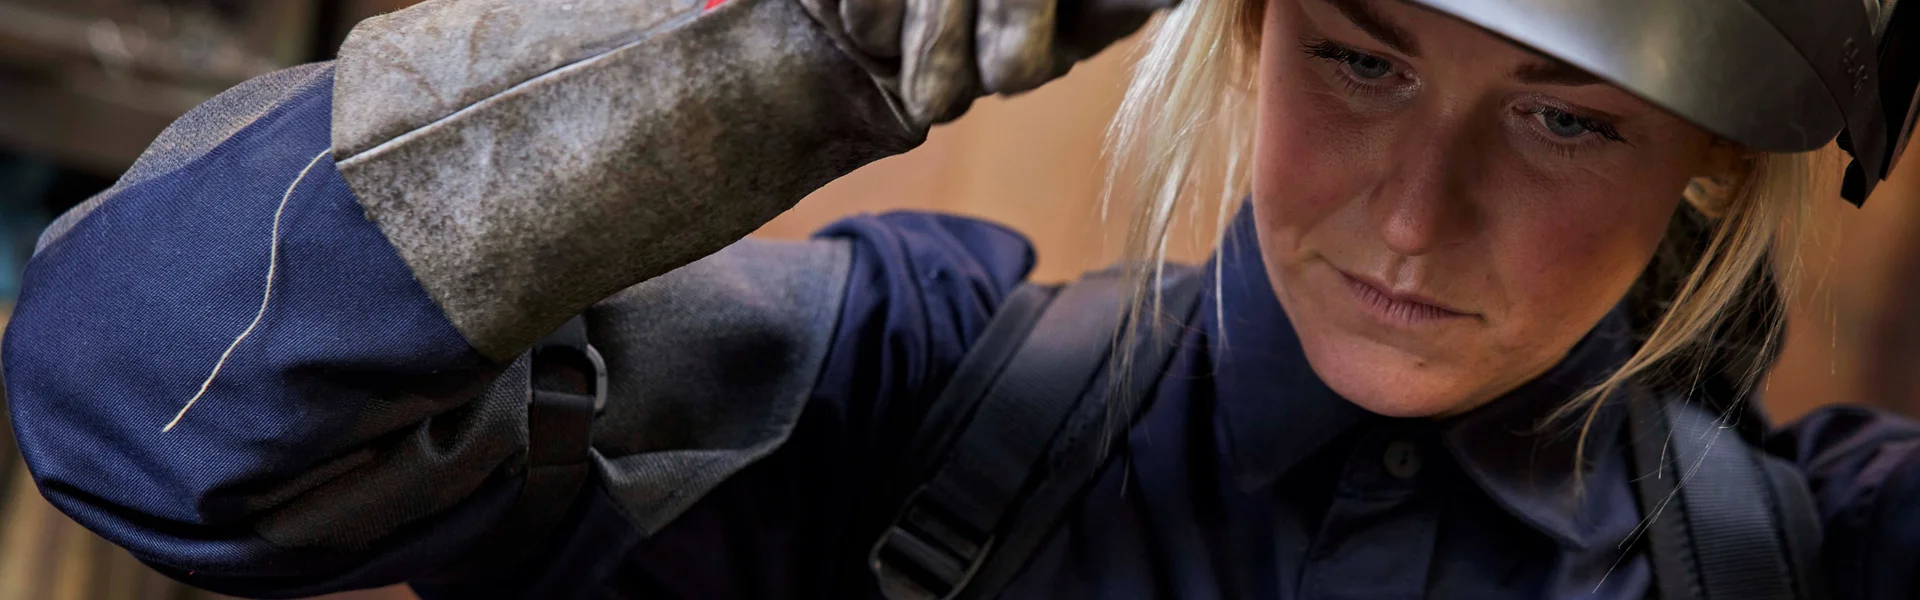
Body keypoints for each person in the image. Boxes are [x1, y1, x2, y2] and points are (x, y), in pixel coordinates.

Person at [4, 0, 1918, 597]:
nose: (1417, 217)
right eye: (1358, 59)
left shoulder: (1823, 552)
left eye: (1567, 120)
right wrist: (806, 33)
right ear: (1248, 35)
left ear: (1710, 158)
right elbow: (151, 402)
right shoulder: (906, 394)